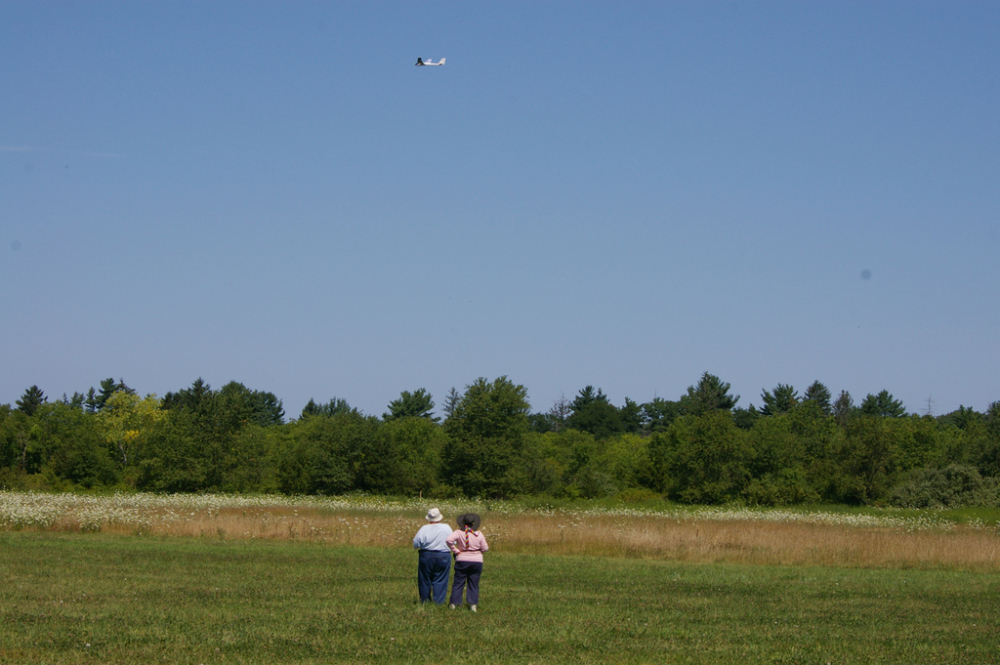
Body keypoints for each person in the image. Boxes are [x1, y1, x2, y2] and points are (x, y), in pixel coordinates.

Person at [446, 512, 489, 612]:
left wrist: (456, 550)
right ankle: (473, 605)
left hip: (462, 559)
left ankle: (453, 604)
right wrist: (478, 552)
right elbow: (485, 548)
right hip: (477, 561)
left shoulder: (458, 532)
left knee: (458, 582)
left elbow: (448, 540)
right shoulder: (479, 534)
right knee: (474, 583)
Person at [412, 507, 453, 604]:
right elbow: (453, 541)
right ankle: (438, 602)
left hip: (426, 555)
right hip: (443, 554)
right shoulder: (446, 527)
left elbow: (416, 543)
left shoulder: (424, 528)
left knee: (425, 578)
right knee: (441, 579)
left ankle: (425, 600)